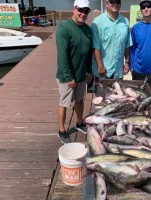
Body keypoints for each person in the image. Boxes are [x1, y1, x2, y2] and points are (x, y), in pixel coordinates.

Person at [55, 0, 92, 143]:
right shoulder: (64, 29)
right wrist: (69, 77)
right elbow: (62, 56)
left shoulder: (88, 30)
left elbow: (88, 54)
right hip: (67, 77)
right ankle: (62, 130)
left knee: (79, 100)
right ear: (74, 9)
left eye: (86, 11)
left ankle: (80, 122)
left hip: (81, 74)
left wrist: (89, 71)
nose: (83, 14)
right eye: (80, 10)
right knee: (64, 103)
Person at [91, 0, 132, 80]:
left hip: (118, 72)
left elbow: (127, 45)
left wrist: (127, 63)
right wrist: (100, 66)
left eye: (118, 2)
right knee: (101, 93)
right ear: (106, 4)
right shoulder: (97, 22)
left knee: (118, 92)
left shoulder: (125, 21)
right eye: (112, 1)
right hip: (103, 72)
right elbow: (95, 47)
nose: (115, 4)